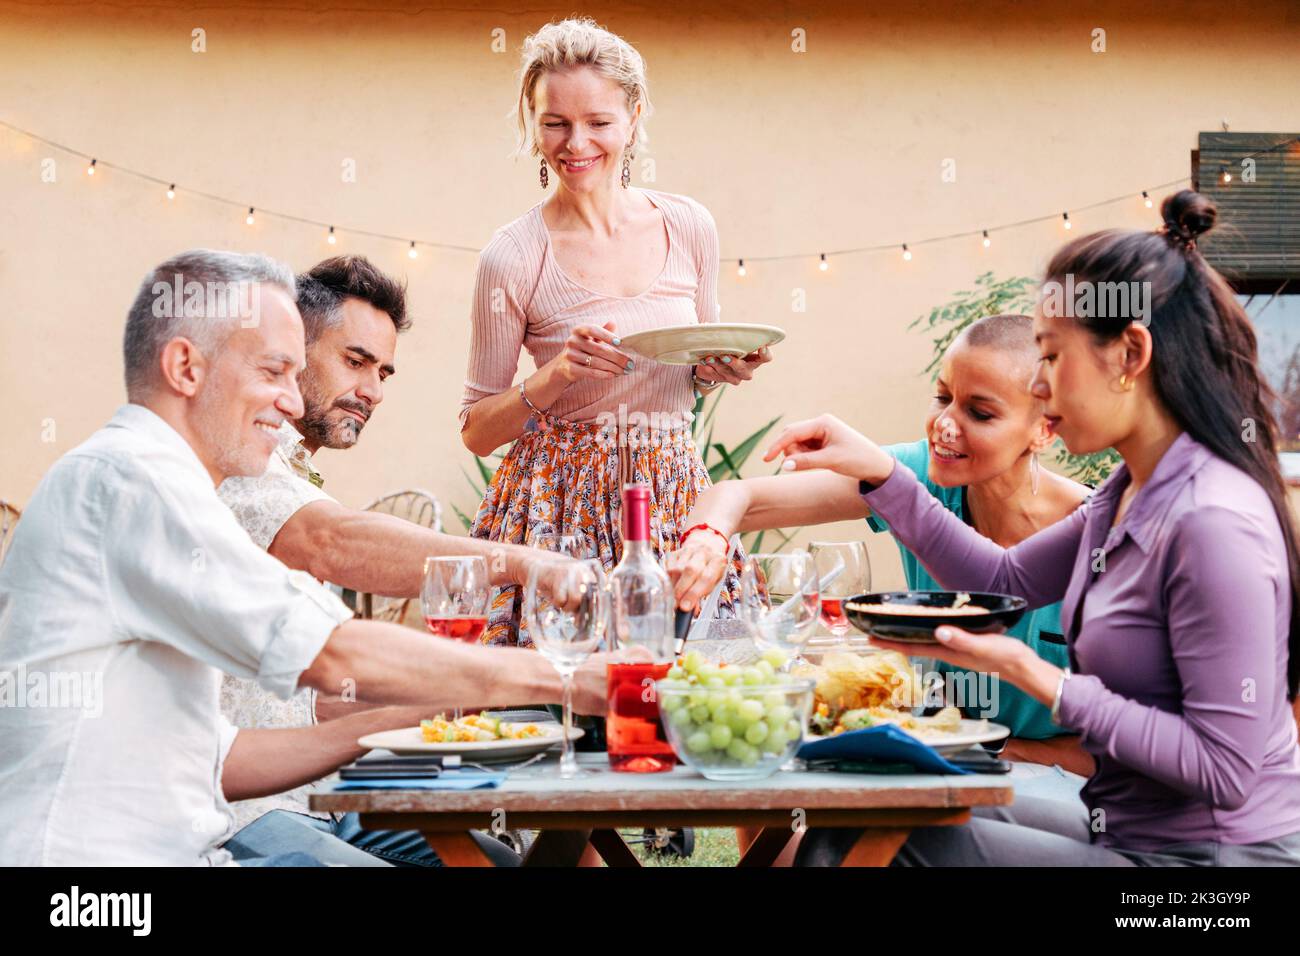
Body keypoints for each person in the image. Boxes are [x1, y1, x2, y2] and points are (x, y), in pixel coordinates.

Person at [0, 250, 607, 866]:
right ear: (186, 367)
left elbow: (221, 757)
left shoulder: (166, 484)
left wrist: (440, 706)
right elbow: (334, 642)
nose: (291, 404)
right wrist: (563, 679)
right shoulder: (133, 482)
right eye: (273, 371)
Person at [773, 191, 1300, 865]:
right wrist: (884, 475)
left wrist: (1035, 674)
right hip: (1128, 834)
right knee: (858, 817)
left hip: (1206, 871)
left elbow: (1228, 771)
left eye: (1051, 358)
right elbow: (1002, 580)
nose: (1041, 388)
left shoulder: (1212, 521)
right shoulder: (1128, 492)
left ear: (1129, 354)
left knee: (898, 848)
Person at [217, 254, 558, 865]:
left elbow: (309, 696)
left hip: (324, 799)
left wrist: (483, 702)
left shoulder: (295, 473)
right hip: (238, 812)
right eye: (355, 362)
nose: (373, 391)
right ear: (289, 351)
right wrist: (521, 563)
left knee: (508, 865)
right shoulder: (237, 462)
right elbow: (336, 540)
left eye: (384, 372)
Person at [669, 314, 1094, 778]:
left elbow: (1122, 747)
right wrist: (706, 538)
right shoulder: (921, 476)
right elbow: (740, 497)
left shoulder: (1098, 537)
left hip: (1062, 786)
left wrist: (997, 753)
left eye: (980, 412)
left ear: (1044, 429)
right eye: (942, 397)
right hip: (937, 759)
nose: (945, 425)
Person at [458, 17, 771, 646]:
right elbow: (476, 431)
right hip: (557, 512)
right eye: (555, 123)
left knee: (697, 698)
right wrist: (555, 376)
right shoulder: (512, 256)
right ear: (533, 123)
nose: (576, 143)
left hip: (675, 493)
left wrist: (719, 368)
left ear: (633, 116)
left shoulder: (689, 226)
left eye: (598, 122)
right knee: (556, 708)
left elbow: (695, 367)